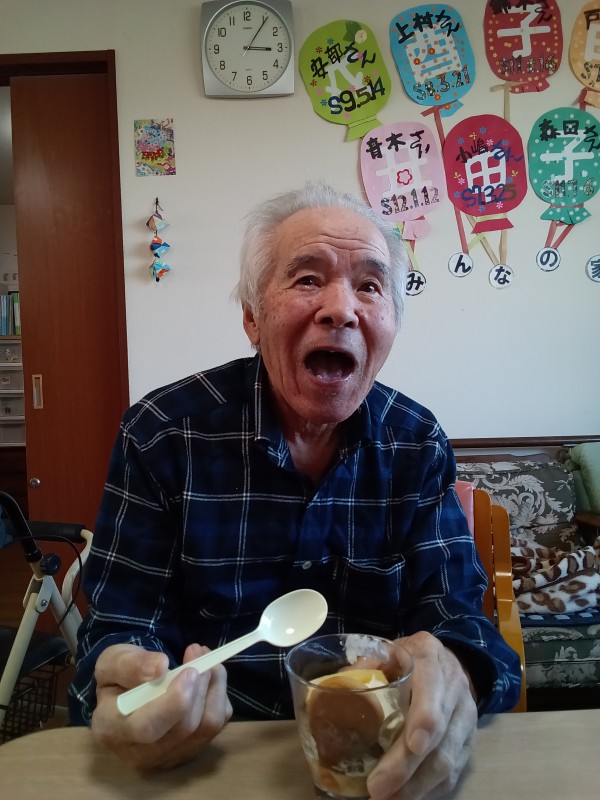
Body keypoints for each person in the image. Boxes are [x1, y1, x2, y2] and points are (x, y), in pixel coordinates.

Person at [69, 182, 521, 798]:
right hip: (210, 758)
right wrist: (126, 686)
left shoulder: (416, 442)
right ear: (253, 319)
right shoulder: (162, 436)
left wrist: (456, 669)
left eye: (369, 286)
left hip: (379, 756)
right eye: (308, 279)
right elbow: (121, 627)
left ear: (391, 323)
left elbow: (456, 614)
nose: (342, 309)